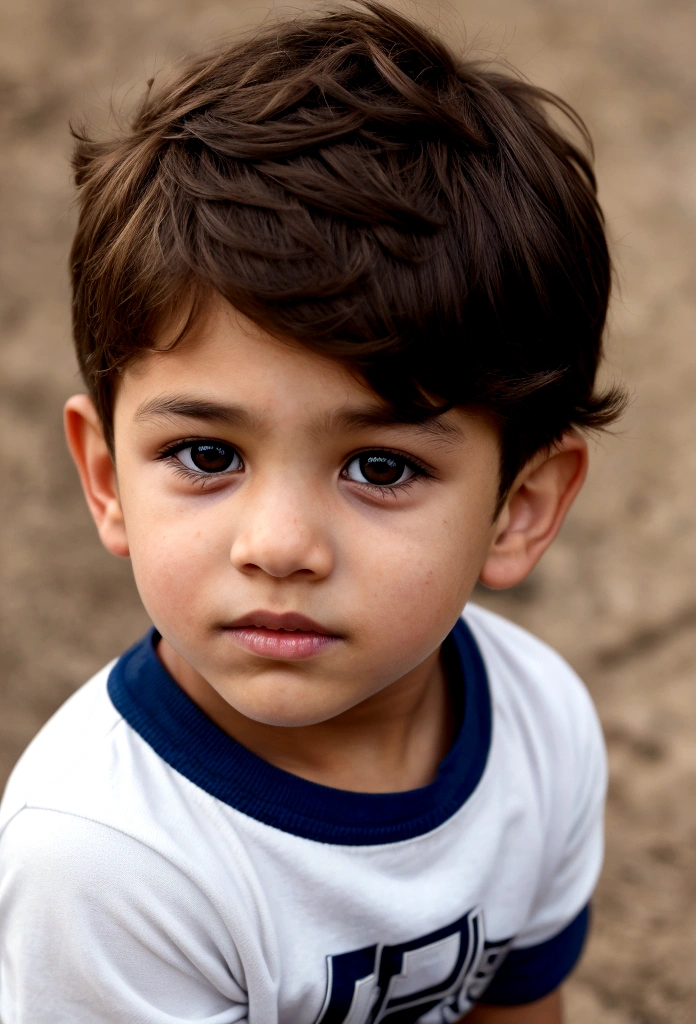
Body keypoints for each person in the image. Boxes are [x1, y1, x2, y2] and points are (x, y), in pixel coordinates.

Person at [0, 3, 625, 1021]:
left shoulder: (540, 729)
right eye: (207, 454)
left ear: (520, 507)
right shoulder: (105, 859)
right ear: (109, 477)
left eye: (380, 466)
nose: (279, 546)